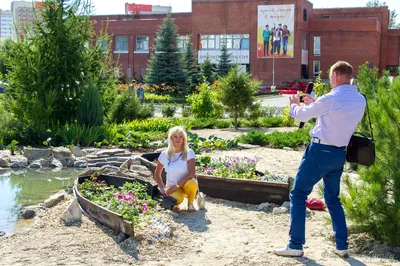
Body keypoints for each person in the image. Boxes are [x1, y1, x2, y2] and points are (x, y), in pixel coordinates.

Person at [274, 61, 366, 258]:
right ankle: (342, 246)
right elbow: (333, 118)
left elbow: (303, 116)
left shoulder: (331, 98)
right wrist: (315, 105)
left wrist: (294, 107)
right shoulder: (360, 99)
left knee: (298, 194)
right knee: (333, 199)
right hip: (339, 153)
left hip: (319, 152)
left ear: (335, 76)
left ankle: (295, 244)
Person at [154, 126, 198, 212]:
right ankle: (176, 204)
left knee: (192, 182)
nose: (178, 139)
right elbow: (157, 173)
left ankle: (190, 204)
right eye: (175, 136)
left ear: (184, 139)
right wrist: (162, 188)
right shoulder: (164, 154)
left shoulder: (189, 152)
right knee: (176, 200)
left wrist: (176, 185)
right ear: (171, 138)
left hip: (186, 185)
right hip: (171, 187)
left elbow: (192, 173)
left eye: (180, 136)